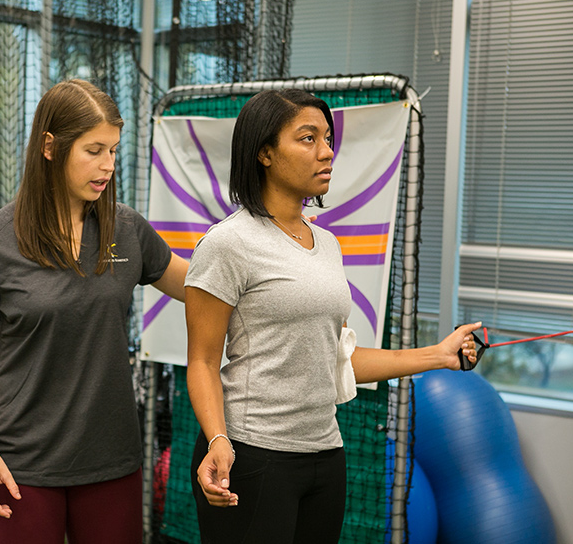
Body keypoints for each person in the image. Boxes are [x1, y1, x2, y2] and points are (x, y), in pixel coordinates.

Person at [184, 89, 481, 544]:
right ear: (264, 152)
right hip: (252, 454)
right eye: (308, 138)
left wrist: (439, 355)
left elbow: (338, 360)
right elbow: (203, 361)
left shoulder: (327, 245)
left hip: (326, 456)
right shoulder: (227, 244)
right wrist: (219, 440)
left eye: (327, 138)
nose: (326, 152)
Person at [0, 79, 188, 544]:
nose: (107, 166)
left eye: (114, 151)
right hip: (20, 464)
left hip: (111, 460)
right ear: (49, 146)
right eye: (94, 150)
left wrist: (269, 244)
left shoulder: (127, 229)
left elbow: (202, 286)